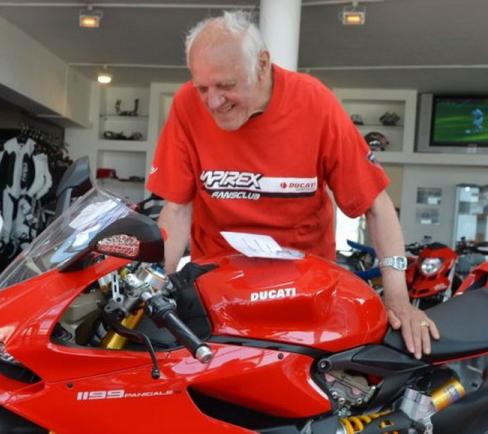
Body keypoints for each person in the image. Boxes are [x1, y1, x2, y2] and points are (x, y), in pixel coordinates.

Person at [146, 11, 439, 359]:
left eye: (226, 86)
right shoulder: (186, 106)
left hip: (303, 294)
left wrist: (398, 301)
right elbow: (177, 209)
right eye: (202, 87)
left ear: (263, 64)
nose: (212, 102)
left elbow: (376, 205)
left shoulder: (315, 103)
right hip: (220, 295)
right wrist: (154, 288)